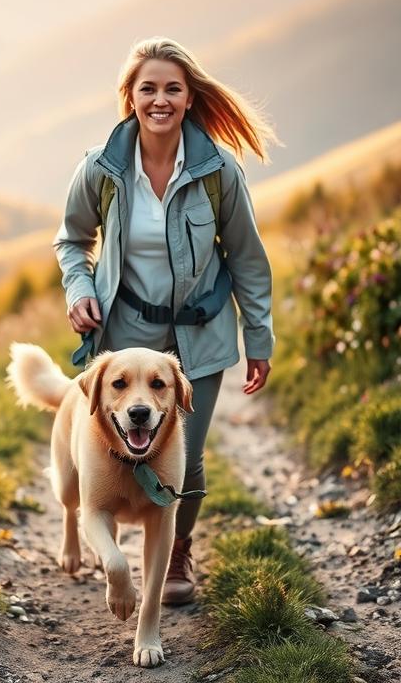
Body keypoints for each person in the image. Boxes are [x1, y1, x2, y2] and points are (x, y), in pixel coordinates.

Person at [53, 36, 277, 605]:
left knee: (187, 455)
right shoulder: (100, 169)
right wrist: (79, 289)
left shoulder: (216, 171)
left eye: (172, 88)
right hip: (126, 330)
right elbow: (71, 241)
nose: (160, 99)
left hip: (200, 332)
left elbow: (248, 258)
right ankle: (113, 542)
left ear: (189, 97)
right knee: (119, 445)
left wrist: (258, 337)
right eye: (147, 88)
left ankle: (175, 550)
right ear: (130, 97)